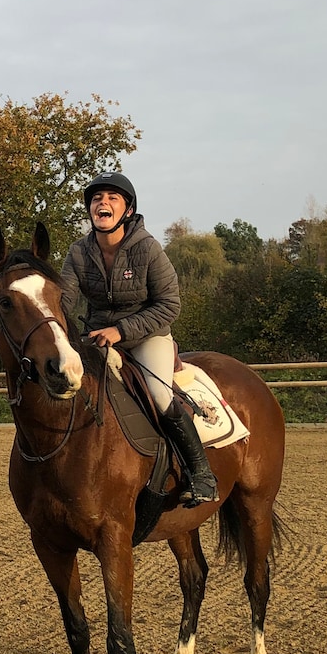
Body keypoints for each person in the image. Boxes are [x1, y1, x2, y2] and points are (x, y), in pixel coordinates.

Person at [59, 172, 218, 506]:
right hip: (98, 336)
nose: (102, 203)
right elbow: (64, 302)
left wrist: (122, 330)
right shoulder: (78, 252)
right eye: (97, 198)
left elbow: (169, 304)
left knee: (159, 395)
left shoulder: (147, 248)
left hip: (147, 336)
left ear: (128, 210)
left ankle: (201, 474)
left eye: (112, 198)